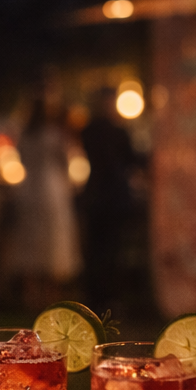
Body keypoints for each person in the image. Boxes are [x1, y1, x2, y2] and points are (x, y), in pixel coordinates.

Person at [4, 98, 81, 309]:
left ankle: (30, 296)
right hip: (52, 192)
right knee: (52, 243)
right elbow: (67, 161)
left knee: (30, 242)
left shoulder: (25, 134)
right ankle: (51, 297)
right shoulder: (56, 135)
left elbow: (20, 159)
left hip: (28, 190)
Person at [79, 87, 138, 315]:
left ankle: (100, 296)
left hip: (100, 197)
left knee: (102, 251)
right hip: (109, 198)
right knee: (107, 251)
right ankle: (104, 296)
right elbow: (129, 160)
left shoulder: (92, 130)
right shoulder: (111, 131)